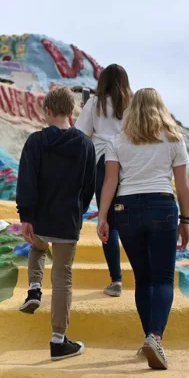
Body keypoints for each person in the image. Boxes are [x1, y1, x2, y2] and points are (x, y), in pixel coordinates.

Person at [97, 88, 189, 371]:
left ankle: (149, 338)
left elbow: (110, 182)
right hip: (162, 206)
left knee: (142, 280)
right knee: (163, 279)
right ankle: (155, 337)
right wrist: (185, 220)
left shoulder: (117, 140)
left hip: (125, 211)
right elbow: (182, 185)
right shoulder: (174, 138)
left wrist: (103, 217)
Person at [16, 87, 96, 361]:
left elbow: (26, 180)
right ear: (72, 112)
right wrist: (79, 211)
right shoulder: (86, 145)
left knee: (37, 250)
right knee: (63, 277)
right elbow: (89, 186)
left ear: (47, 111)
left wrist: (26, 216)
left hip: (40, 219)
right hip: (67, 220)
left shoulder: (35, 142)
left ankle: (34, 289)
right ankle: (58, 340)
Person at [74, 64, 132, 298]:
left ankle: (116, 279)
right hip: (130, 161)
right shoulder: (134, 104)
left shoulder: (94, 103)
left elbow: (81, 135)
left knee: (106, 218)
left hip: (102, 162)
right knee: (129, 215)